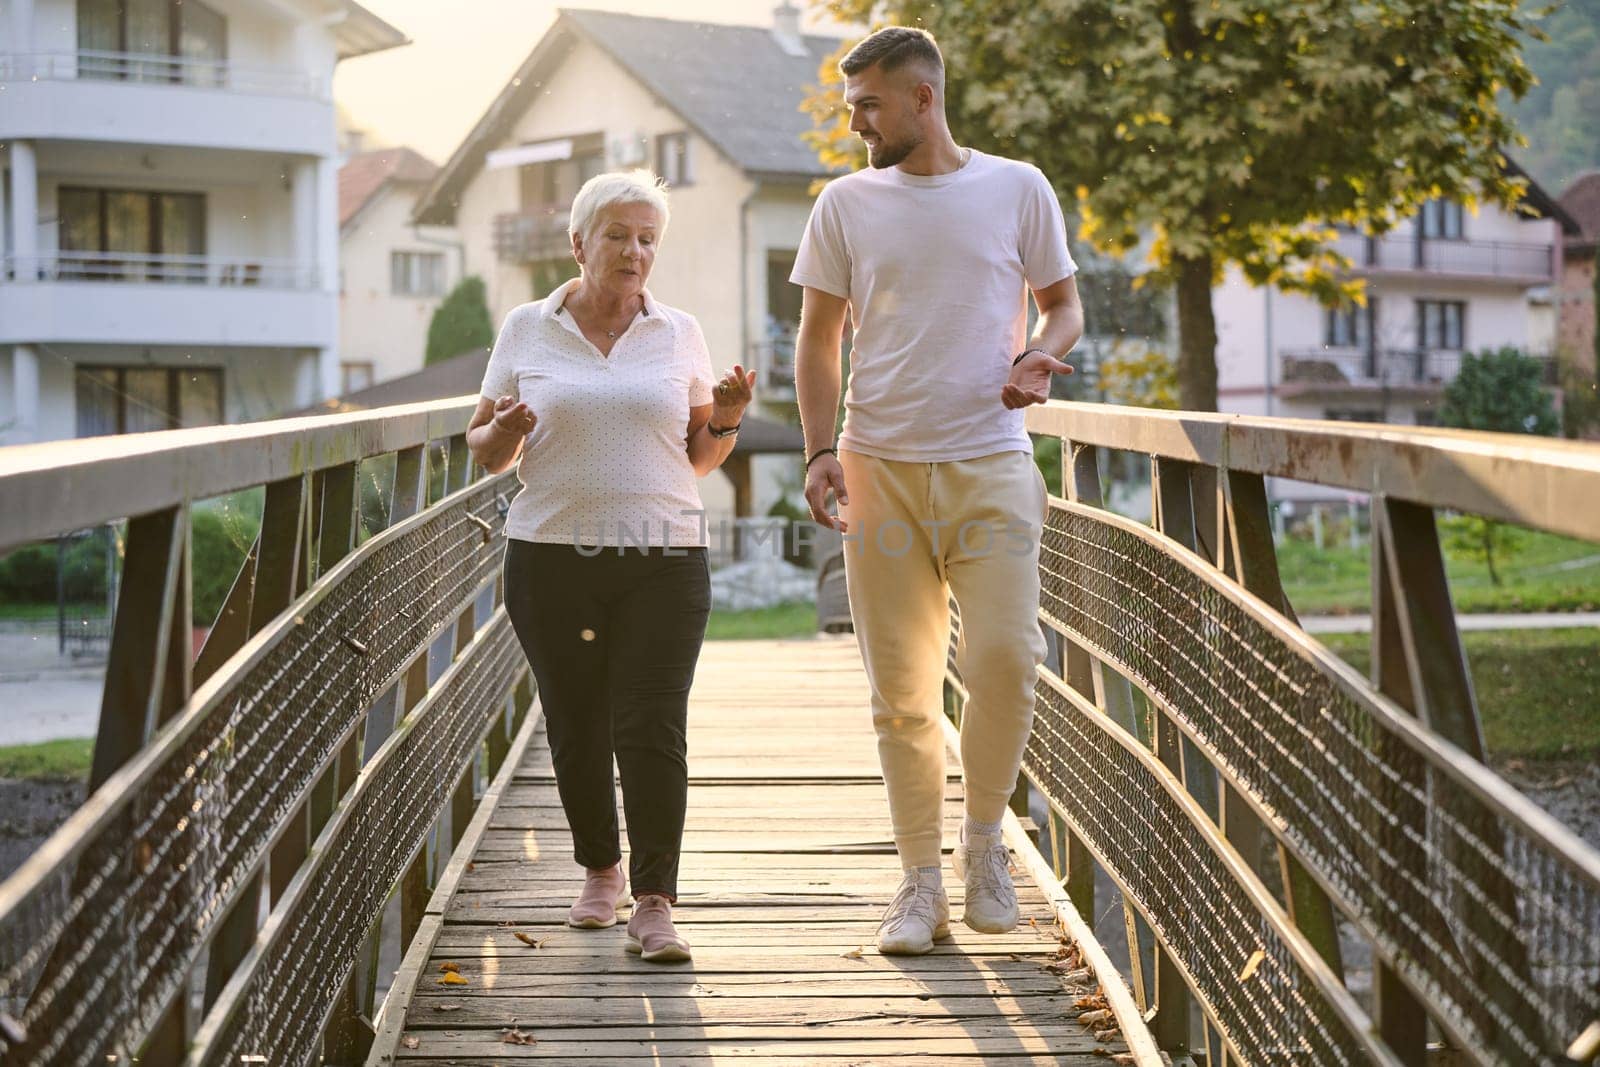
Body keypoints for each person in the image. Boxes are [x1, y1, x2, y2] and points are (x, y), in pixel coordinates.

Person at [791, 27, 1083, 956]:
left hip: (990, 459)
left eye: (868, 106)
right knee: (902, 691)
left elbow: (1065, 303)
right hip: (877, 468)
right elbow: (816, 338)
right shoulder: (844, 203)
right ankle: (918, 881)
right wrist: (816, 448)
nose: (855, 126)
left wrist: (1045, 352)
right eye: (849, 110)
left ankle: (985, 841)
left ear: (922, 99)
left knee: (1007, 654)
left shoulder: (1016, 186)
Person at [468, 169, 755, 963]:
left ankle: (656, 901)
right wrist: (509, 428)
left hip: (664, 556)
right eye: (620, 235)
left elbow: (699, 458)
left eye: (648, 238)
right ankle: (601, 869)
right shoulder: (527, 327)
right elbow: (485, 451)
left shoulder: (679, 332)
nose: (636, 251)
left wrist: (727, 415)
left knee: (652, 723)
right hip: (551, 556)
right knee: (576, 720)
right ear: (580, 242)